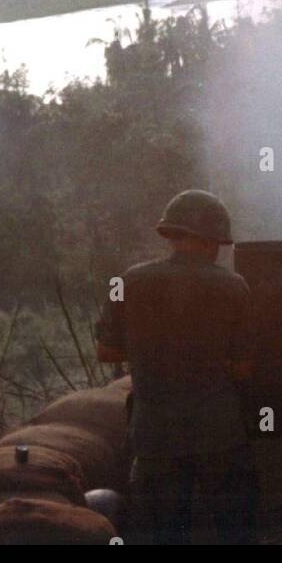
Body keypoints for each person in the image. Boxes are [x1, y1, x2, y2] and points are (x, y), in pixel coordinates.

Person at [96, 189, 258, 543]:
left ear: (172, 234)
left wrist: (148, 353)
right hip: (219, 433)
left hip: (155, 436)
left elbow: (106, 351)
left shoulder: (129, 281)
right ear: (213, 239)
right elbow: (244, 368)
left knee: (166, 535)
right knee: (237, 533)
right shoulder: (234, 286)